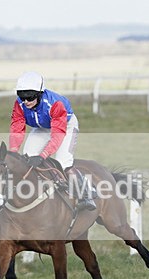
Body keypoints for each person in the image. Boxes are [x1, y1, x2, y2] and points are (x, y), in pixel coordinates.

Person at [8, 71, 96, 211]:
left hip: (64, 126)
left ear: (39, 94)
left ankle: (86, 192)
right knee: (28, 157)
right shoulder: (19, 104)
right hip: (42, 127)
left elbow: (58, 134)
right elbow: (17, 127)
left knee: (63, 161)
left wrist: (43, 155)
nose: (25, 101)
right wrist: (13, 151)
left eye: (29, 97)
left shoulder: (55, 104)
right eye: (21, 96)